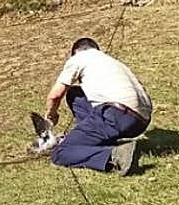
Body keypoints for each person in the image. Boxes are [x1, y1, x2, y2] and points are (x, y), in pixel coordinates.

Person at [44, 37, 152, 175]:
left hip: (117, 115)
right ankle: (90, 139)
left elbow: (55, 95)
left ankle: (115, 156)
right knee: (74, 93)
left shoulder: (78, 58)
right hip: (141, 120)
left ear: (76, 52)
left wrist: (51, 115)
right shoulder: (112, 61)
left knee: (60, 153)